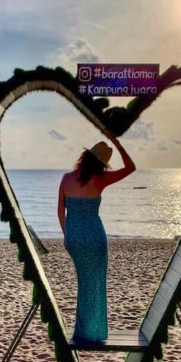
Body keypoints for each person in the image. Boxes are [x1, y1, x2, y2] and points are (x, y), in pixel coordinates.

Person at [58, 134, 136, 342]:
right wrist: (118, 144)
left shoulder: (66, 178)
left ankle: (84, 330)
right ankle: (92, 332)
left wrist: (68, 236)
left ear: (85, 157)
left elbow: (60, 212)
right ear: (101, 164)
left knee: (85, 282)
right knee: (95, 283)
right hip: (95, 237)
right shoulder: (101, 179)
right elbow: (130, 168)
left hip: (74, 238)